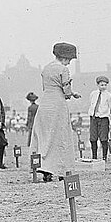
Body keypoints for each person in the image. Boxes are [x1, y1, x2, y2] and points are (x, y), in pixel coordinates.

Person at [29, 42, 81, 181]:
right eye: (69, 59)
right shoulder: (63, 70)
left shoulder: (46, 69)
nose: (69, 62)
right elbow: (66, 90)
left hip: (45, 104)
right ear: (64, 58)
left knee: (44, 136)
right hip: (57, 105)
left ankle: (45, 167)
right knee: (60, 136)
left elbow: (48, 87)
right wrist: (71, 94)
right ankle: (61, 170)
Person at [88, 75, 111, 161]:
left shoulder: (108, 95)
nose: (103, 87)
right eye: (102, 85)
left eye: (105, 85)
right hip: (94, 118)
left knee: (104, 138)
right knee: (93, 138)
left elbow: (110, 106)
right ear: (97, 85)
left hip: (103, 118)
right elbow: (91, 103)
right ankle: (94, 156)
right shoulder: (93, 94)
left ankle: (104, 157)